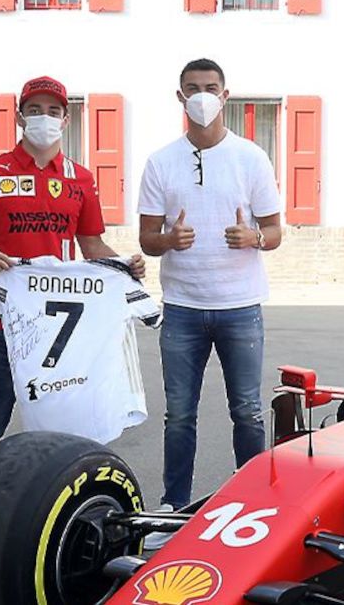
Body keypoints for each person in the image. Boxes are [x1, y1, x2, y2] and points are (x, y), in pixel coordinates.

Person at [0, 75, 146, 478]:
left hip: (64, 332)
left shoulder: (81, 178)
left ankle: (56, 510)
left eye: (53, 111)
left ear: (66, 121)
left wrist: (125, 266)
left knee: (67, 431)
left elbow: (92, 248)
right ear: (20, 118)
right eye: (34, 111)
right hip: (6, 326)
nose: (44, 119)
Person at [137, 59, 283, 547]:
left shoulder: (251, 158)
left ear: (225, 95)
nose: (202, 96)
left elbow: (275, 231)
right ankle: (174, 507)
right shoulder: (161, 161)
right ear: (179, 97)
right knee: (179, 414)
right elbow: (146, 238)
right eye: (192, 89)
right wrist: (167, 239)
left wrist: (254, 238)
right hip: (181, 307)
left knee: (247, 412)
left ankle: (255, 506)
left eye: (210, 88)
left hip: (240, 305)